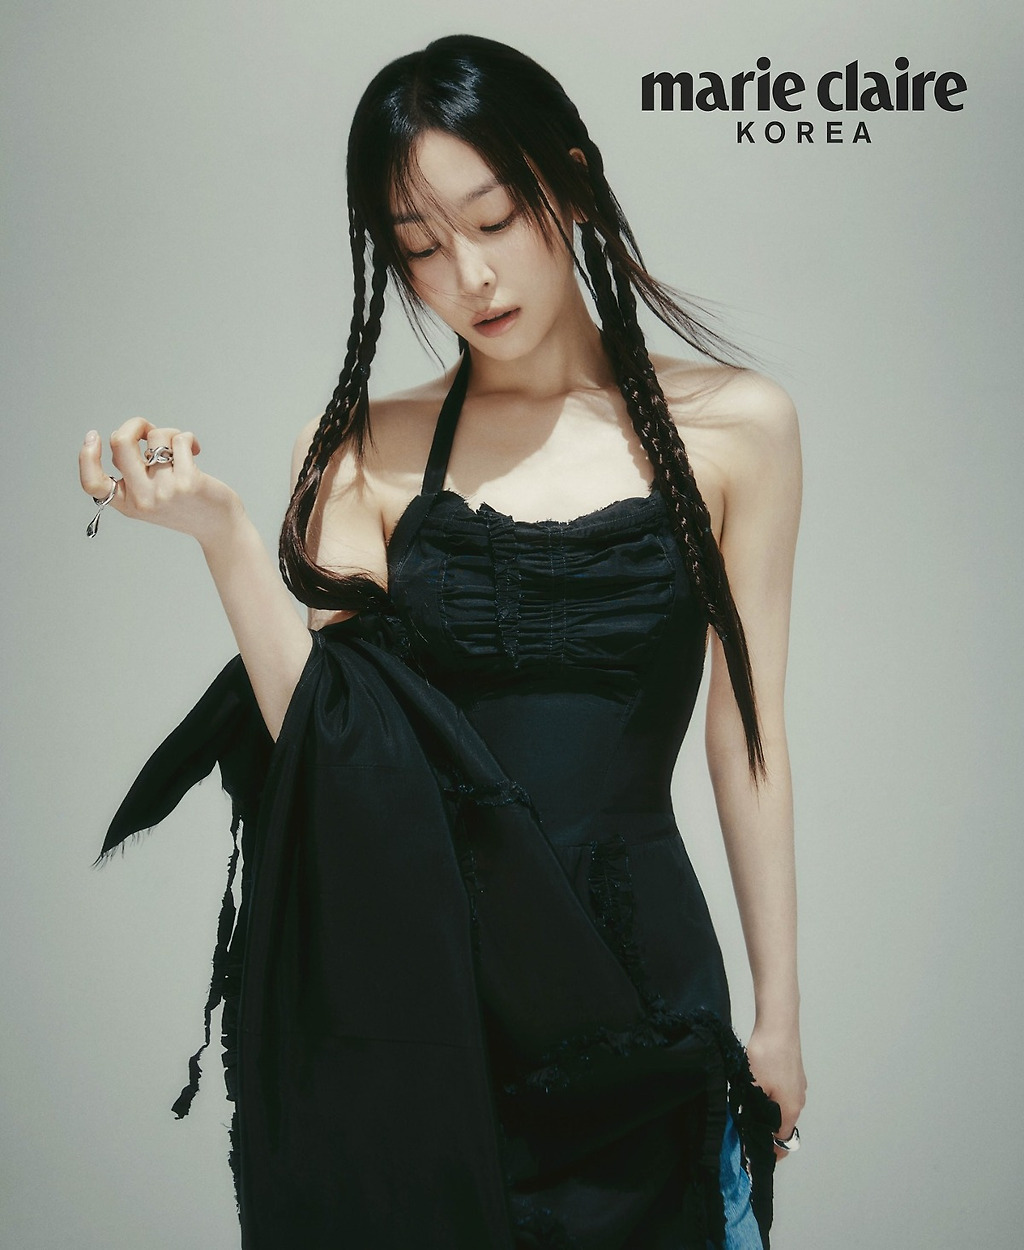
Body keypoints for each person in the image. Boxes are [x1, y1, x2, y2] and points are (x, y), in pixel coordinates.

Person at [80, 33, 805, 1250]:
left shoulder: (739, 427)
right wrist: (224, 534)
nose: (468, 274)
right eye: (419, 246)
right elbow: (332, 746)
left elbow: (749, 736)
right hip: (433, 999)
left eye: (494, 217)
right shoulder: (367, 444)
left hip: (642, 985)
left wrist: (779, 1012)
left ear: (570, 182)